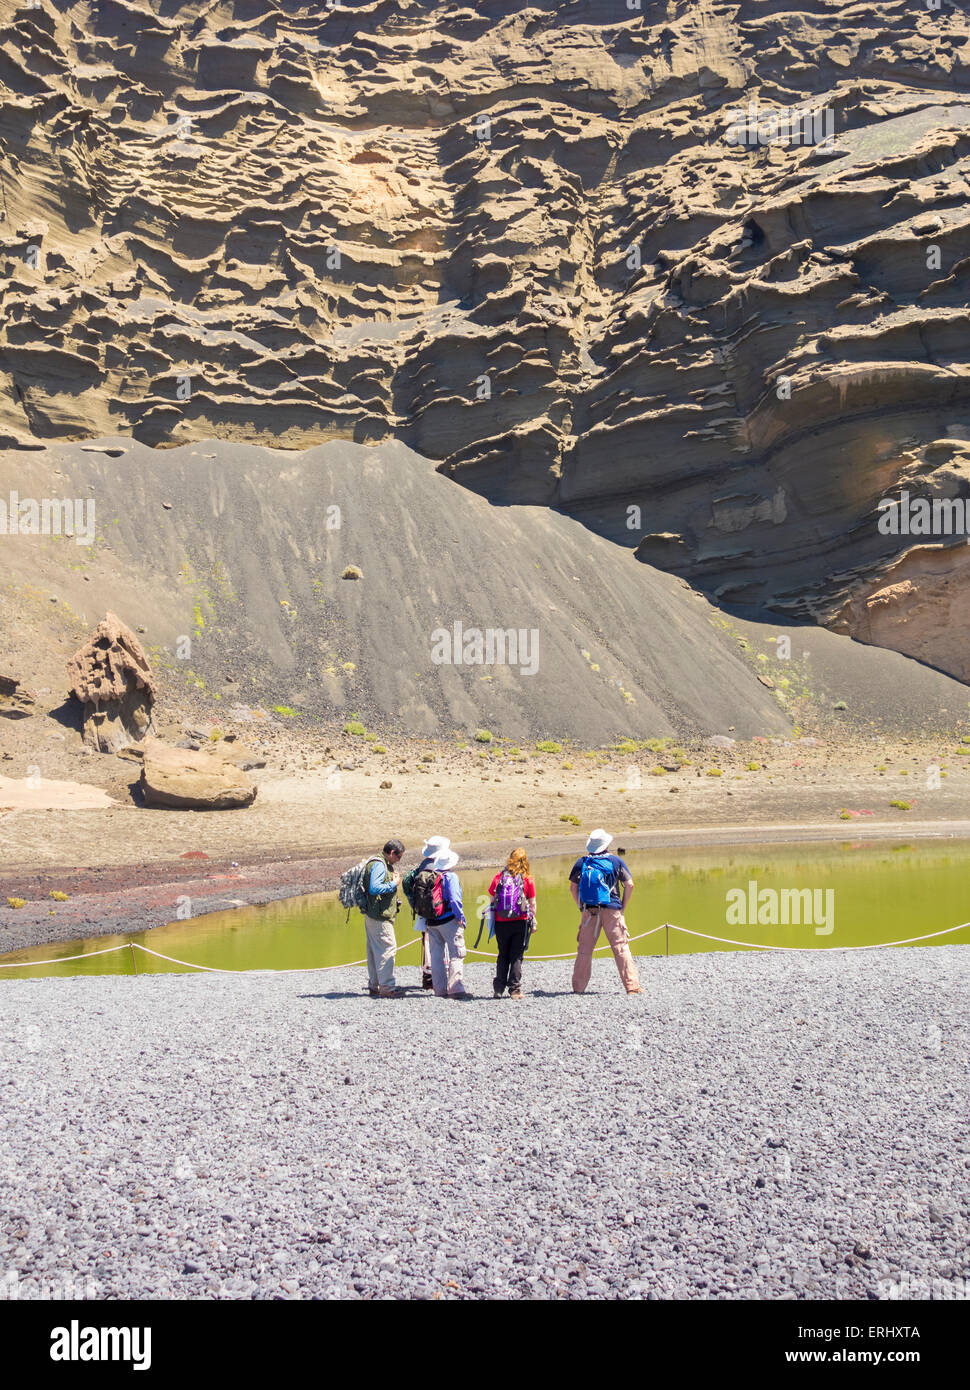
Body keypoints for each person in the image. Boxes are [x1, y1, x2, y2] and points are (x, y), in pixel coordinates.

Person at [568, 829, 641, 995]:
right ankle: (632, 987)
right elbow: (630, 884)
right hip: (612, 908)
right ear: (606, 845)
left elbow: (573, 887)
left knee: (585, 950)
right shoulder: (615, 861)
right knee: (620, 947)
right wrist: (622, 907)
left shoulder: (582, 862)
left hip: (589, 911)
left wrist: (581, 906)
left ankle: (578, 988)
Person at [417, 848, 470, 999]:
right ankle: (455, 989)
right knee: (456, 953)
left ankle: (439, 990)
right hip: (448, 920)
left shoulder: (429, 876)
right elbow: (454, 899)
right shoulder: (450, 877)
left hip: (431, 921)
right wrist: (460, 917)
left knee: (436, 955)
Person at [488, 847, 537, 1000]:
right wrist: (533, 919)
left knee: (503, 954)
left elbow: (491, 899)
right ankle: (514, 990)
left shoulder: (499, 877)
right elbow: (532, 903)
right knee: (516, 955)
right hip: (520, 922)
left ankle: (498, 988)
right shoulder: (527, 878)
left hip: (501, 921)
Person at [402, 836, 449, 990]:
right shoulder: (439, 866)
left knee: (427, 942)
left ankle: (427, 979)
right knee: (441, 943)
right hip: (439, 910)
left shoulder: (423, 865)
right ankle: (440, 979)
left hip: (423, 911)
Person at [362, 838, 405, 998]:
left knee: (374, 951)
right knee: (388, 948)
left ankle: (374, 986)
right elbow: (374, 888)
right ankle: (387, 988)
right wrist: (394, 884)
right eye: (398, 857)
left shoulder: (376, 862)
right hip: (380, 916)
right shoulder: (380, 865)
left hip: (371, 914)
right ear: (392, 852)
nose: (398, 860)